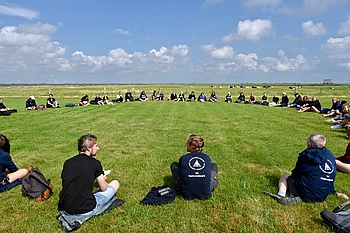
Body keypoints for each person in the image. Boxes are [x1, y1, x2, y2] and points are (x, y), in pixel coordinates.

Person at [266, 134, 348, 205]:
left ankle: (281, 195)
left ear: (310, 144)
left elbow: (296, 173)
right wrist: (333, 191)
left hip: (307, 192)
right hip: (323, 194)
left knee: (285, 177)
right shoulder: (330, 155)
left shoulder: (307, 155)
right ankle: (294, 195)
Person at [58, 134, 122, 218]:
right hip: (86, 208)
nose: (98, 148)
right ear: (88, 148)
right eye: (96, 146)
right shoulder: (95, 163)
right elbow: (104, 188)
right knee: (115, 183)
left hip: (67, 207)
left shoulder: (68, 162)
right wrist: (104, 184)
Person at [170, 134, 218, 200]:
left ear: (192, 146)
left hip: (185, 193)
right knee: (213, 166)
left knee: (174, 165)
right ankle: (209, 181)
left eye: (187, 143)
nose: (186, 144)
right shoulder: (207, 158)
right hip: (205, 193)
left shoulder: (183, 158)